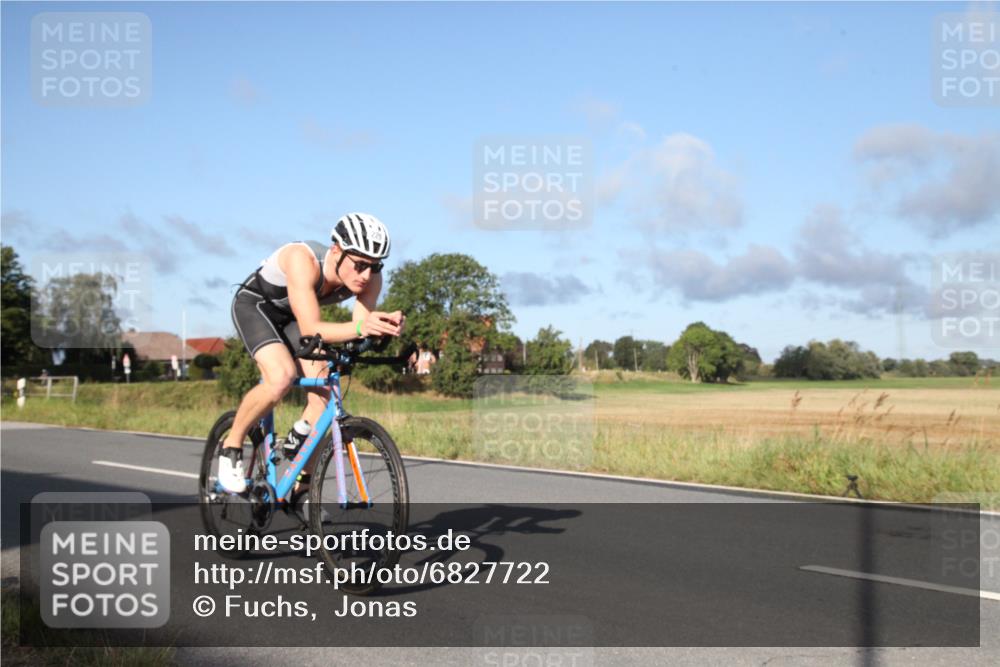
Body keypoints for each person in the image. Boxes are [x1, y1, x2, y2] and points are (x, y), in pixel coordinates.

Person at [219, 212, 406, 496]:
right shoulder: (302, 259)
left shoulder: (371, 277)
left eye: (375, 266)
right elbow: (312, 328)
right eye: (360, 265)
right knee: (281, 377)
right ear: (336, 250)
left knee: (324, 396)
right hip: (256, 308)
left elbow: (360, 328)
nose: (367, 274)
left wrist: (382, 328)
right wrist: (361, 326)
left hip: (294, 317)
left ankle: (301, 486)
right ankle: (231, 447)